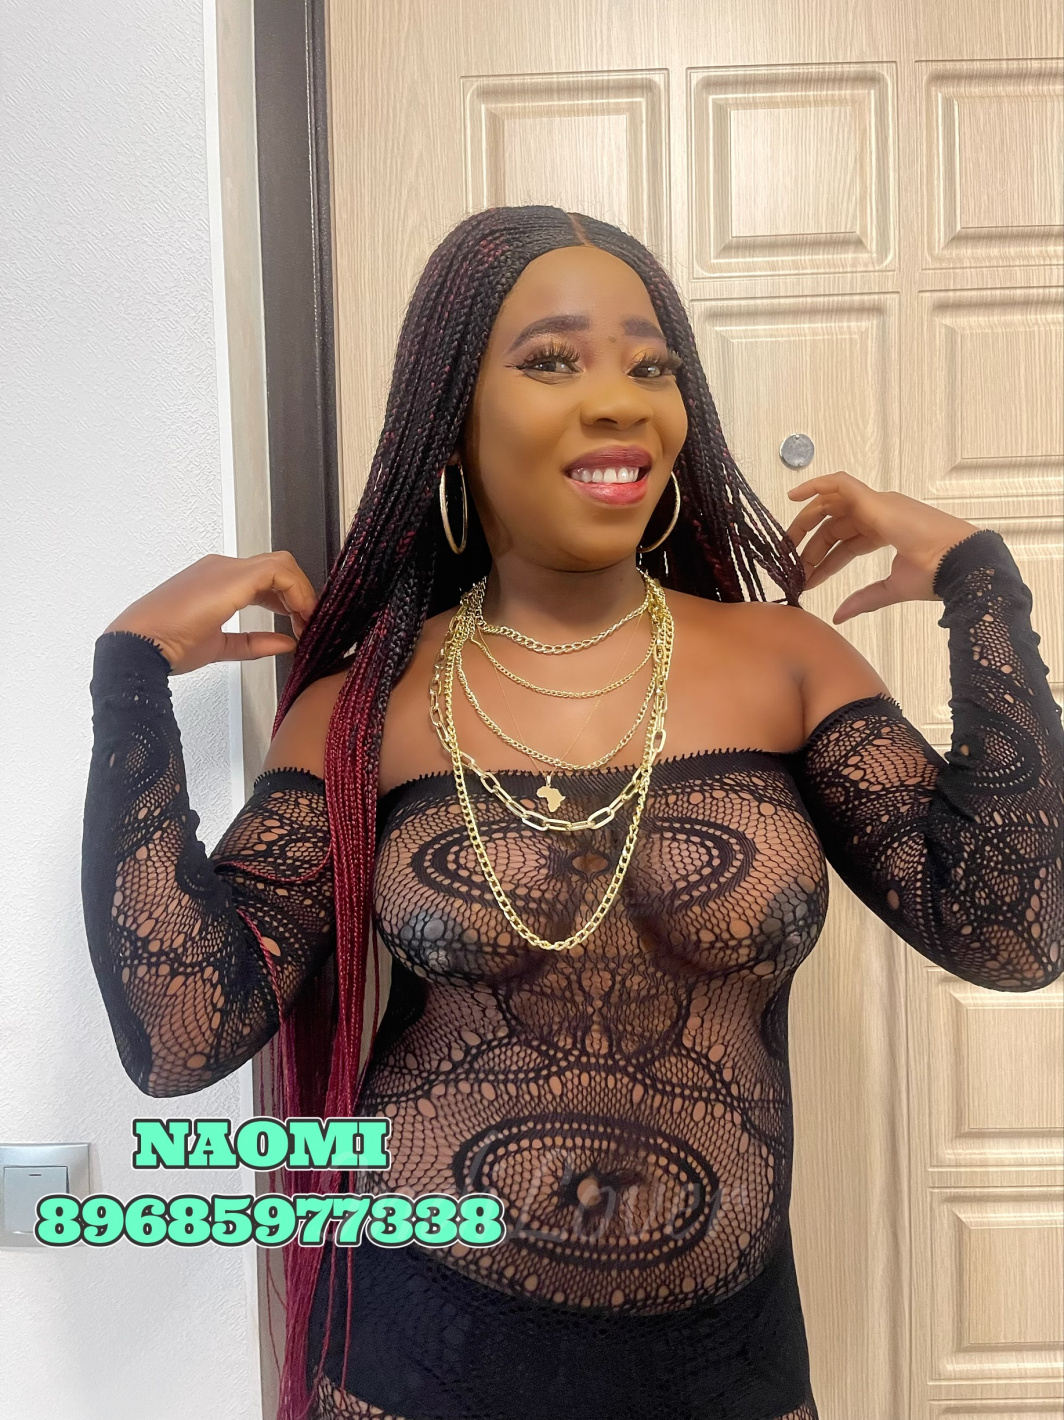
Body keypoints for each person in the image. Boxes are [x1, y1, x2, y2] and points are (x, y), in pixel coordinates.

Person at [82, 207, 1064, 1420]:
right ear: (452, 421)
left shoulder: (785, 664)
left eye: (651, 366)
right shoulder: (363, 709)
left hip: (725, 1370)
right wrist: (130, 678)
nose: (618, 402)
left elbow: (1007, 929)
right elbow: (182, 1031)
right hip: (415, 1360)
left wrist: (980, 586)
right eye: (551, 360)